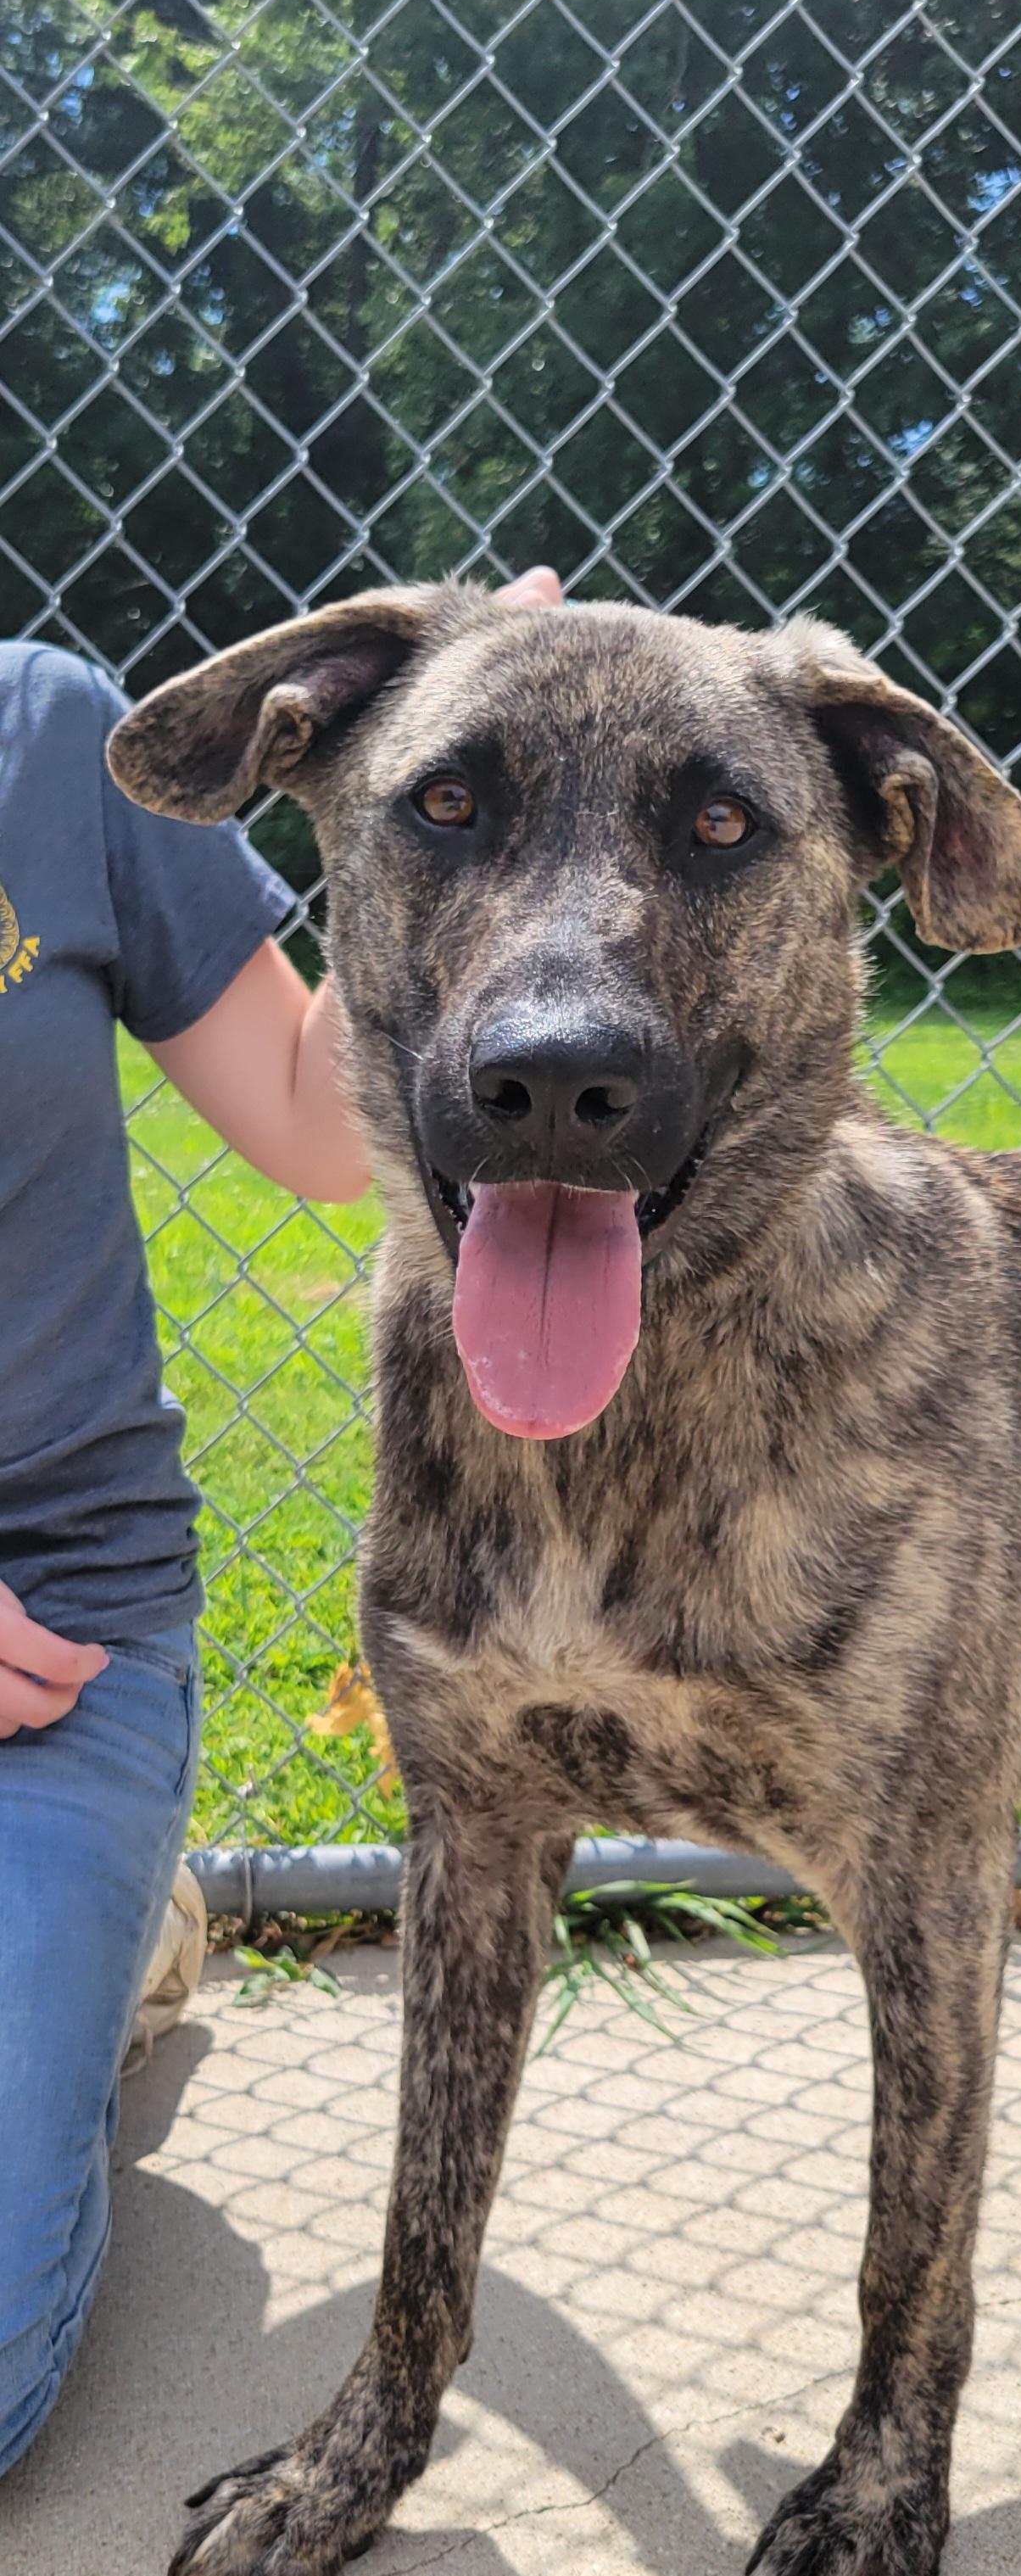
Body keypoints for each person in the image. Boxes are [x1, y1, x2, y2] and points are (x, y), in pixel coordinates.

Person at [0, 565, 564, 2479]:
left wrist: (424, 789)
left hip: (41, 1652)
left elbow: (328, 1135)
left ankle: (116, 1934)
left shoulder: (37, 734)